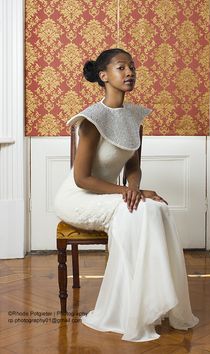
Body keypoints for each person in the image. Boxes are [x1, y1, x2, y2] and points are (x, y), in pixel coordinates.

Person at [54, 48, 199, 342]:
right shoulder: (92, 120)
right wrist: (129, 192)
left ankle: (155, 303)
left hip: (107, 193)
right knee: (139, 209)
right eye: (121, 68)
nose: (130, 73)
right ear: (103, 76)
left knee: (158, 208)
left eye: (132, 67)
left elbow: (133, 165)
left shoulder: (134, 117)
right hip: (77, 197)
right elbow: (81, 178)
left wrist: (133, 187)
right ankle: (129, 309)